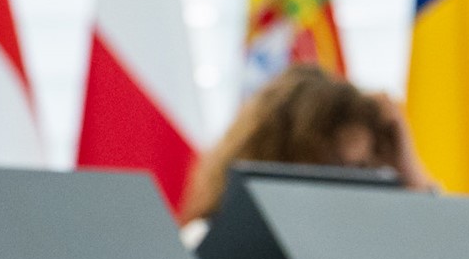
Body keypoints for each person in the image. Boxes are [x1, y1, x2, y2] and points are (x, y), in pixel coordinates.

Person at [179, 63, 436, 239]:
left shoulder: (369, 250)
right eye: (331, 169)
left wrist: (409, 172)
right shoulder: (204, 241)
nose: (348, 191)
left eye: (361, 170)